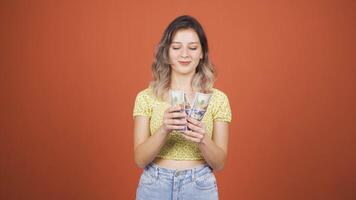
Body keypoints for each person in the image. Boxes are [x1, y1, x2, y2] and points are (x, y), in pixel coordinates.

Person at [133, 15, 232, 200]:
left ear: (202, 52)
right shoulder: (146, 97)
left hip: (200, 186)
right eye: (176, 47)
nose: (184, 54)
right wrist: (164, 129)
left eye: (193, 47)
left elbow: (219, 163)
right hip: (154, 185)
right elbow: (140, 159)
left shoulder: (218, 99)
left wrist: (203, 139)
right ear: (166, 52)